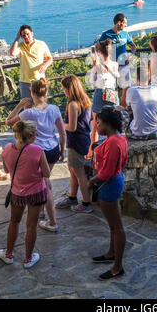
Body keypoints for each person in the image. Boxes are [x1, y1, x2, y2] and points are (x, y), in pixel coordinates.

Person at [6, 78, 66, 232]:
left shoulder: (28, 113)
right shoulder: (54, 108)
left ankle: (52, 222)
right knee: (45, 181)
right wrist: (62, 150)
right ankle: (41, 211)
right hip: (52, 149)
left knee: (44, 185)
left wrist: (19, 105)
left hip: (38, 152)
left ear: (32, 92)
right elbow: (62, 132)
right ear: (46, 92)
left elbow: (9, 122)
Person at [0, 120, 50, 268]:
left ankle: (8, 254)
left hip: (17, 192)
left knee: (14, 222)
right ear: (30, 136)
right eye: (35, 134)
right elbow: (46, 173)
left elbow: (7, 170)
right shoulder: (38, 151)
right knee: (31, 226)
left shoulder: (7, 149)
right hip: (36, 192)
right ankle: (28, 259)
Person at [87, 107, 128, 281]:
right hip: (114, 182)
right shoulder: (120, 139)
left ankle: (117, 267)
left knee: (117, 227)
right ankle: (111, 253)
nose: (97, 124)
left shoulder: (112, 142)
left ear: (108, 124)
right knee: (113, 225)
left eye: (99, 122)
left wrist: (91, 181)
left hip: (108, 185)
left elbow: (107, 172)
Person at [56, 75, 93, 213]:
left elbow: (72, 127)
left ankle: (86, 202)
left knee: (79, 172)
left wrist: (59, 124)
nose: (64, 91)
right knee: (73, 169)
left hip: (75, 140)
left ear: (68, 89)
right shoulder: (85, 100)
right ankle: (72, 196)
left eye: (64, 88)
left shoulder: (72, 104)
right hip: (83, 139)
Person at [88, 39, 119, 158]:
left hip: (100, 93)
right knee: (113, 122)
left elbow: (92, 81)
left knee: (95, 126)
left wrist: (94, 64)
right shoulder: (115, 64)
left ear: (99, 52)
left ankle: (92, 153)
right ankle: (112, 148)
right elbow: (117, 78)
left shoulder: (97, 66)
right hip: (111, 92)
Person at [99, 14, 136, 107]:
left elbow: (133, 46)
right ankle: (113, 110)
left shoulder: (125, 34)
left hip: (124, 65)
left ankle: (124, 111)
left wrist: (132, 55)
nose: (126, 25)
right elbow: (98, 47)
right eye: (125, 23)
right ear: (119, 23)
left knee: (126, 88)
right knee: (111, 89)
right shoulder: (106, 34)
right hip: (111, 67)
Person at [9, 25, 53, 98]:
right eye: (23, 35)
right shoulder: (20, 46)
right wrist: (17, 38)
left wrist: (45, 65)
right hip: (25, 81)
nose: (26, 36)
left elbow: (50, 58)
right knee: (27, 105)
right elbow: (12, 53)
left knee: (41, 104)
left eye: (27, 34)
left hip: (39, 80)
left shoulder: (41, 44)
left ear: (32, 33)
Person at [126, 65, 157, 139]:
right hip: (155, 132)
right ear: (149, 78)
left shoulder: (132, 90)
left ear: (136, 78)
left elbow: (128, 108)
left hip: (137, 134)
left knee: (121, 110)